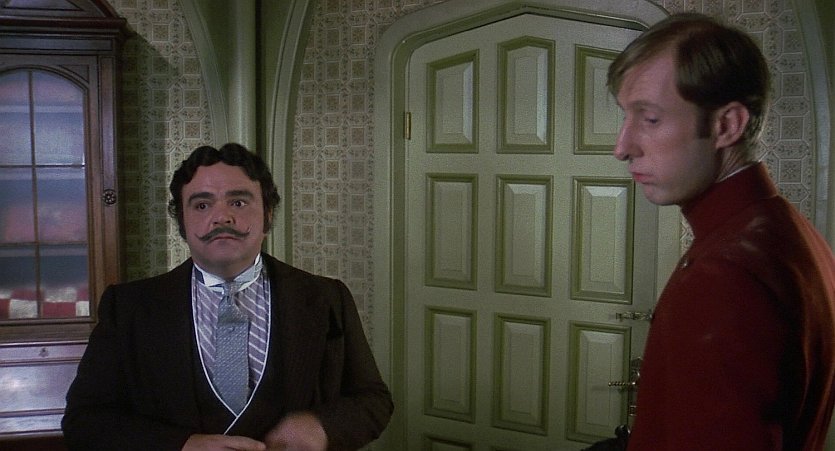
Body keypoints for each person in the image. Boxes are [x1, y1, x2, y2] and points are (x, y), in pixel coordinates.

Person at [602, 12, 835, 451]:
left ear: (726, 125)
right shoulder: (786, 229)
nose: (622, 147)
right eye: (626, 117)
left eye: (649, 119)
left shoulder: (725, 275)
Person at [62, 143, 393, 450]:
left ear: (268, 215)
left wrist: (322, 427)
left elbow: (373, 400)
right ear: (182, 222)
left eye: (238, 202)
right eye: (202, 205)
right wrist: (181, 445)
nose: (221, 217)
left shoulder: (326, 297)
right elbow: (84, 420)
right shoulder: (128, 307)